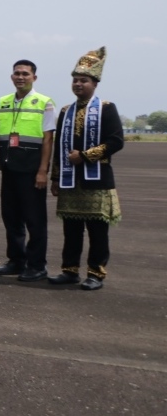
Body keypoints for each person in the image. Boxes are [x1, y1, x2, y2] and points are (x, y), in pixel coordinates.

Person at [48, 47, 123, 291]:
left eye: (84, 80)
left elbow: (116, 141)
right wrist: (55, 178)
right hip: (70, 181)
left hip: (97, 180)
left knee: (97, 231)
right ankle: (69, 270)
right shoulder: (65, 111)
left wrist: (85, 156)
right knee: (71, 230)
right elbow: (59, 147)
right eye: (75, 80)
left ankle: (95, 273)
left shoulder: (106, 108)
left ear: (95, 84)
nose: (78, 84)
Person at [0, 60, 56, 282]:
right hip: (9, 168)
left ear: (34, 77)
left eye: (25, 74)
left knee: (35, 220)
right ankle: (16, 260)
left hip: (31, 171)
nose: (20, 77)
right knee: (11, 218)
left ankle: (37, 265)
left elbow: (48, 139)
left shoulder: (44, 103)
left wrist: (42, 171)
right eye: (17, 73)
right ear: (12, 77)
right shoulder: (4, 102)